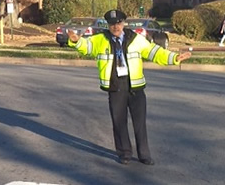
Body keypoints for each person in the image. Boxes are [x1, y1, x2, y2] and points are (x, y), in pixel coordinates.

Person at [67, 10, 191, 166]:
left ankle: (144, 155)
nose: (115, 27)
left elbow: (154, 52)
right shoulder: (100, 39)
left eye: (118, 23)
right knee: (119, 122)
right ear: (108, 25)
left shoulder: (136, 39)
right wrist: (76, 41)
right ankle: (124, 153)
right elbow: (86, 46)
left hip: (135, 86)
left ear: (123, 23)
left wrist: (174, 58)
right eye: (112, 24)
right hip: (115, 85)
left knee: (139, 123)